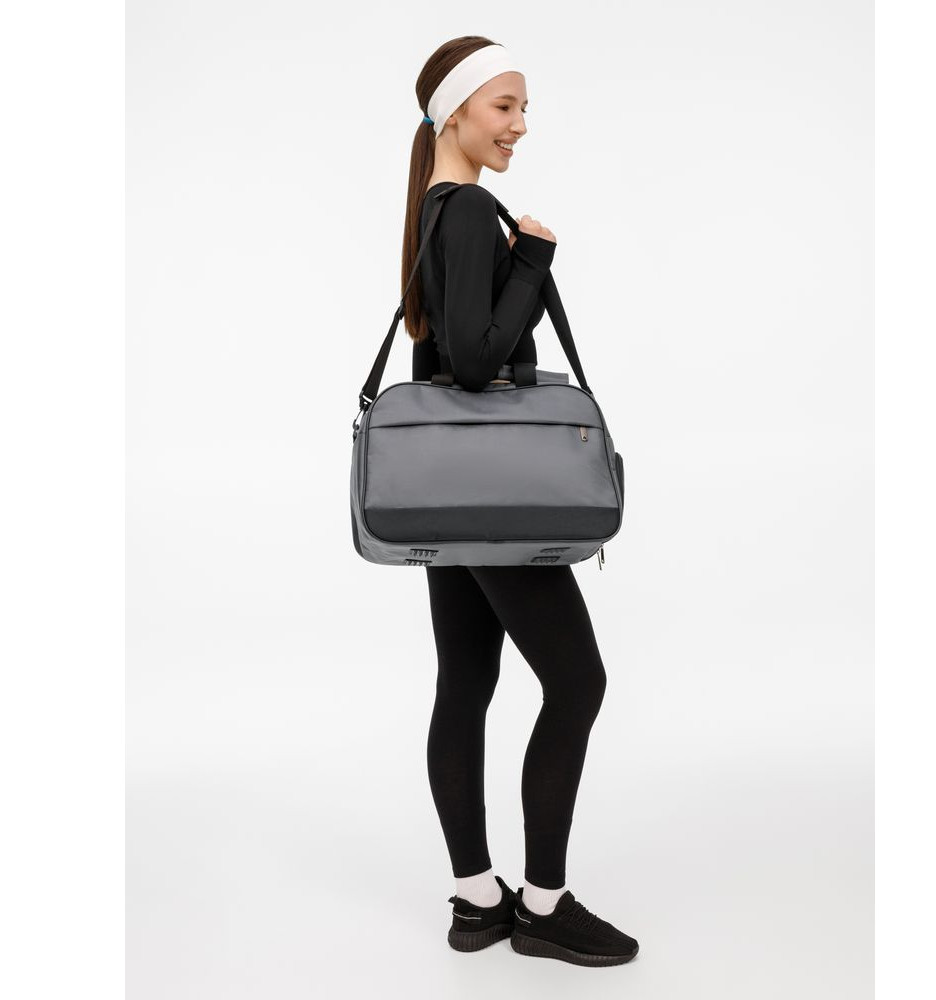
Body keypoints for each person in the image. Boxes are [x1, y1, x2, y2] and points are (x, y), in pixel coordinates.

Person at [399, 36, 639, 967]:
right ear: (455, 111)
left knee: (465, 682)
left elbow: (442, 350)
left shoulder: (431, 209)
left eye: (524, 108)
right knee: (578, 682)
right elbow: (471, 363)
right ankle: (541, 905)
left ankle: (476, 900)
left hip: (448, 492)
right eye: (505, 106)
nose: (520, 126)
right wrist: (533, 258)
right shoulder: (466, 212)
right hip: (496, 492)